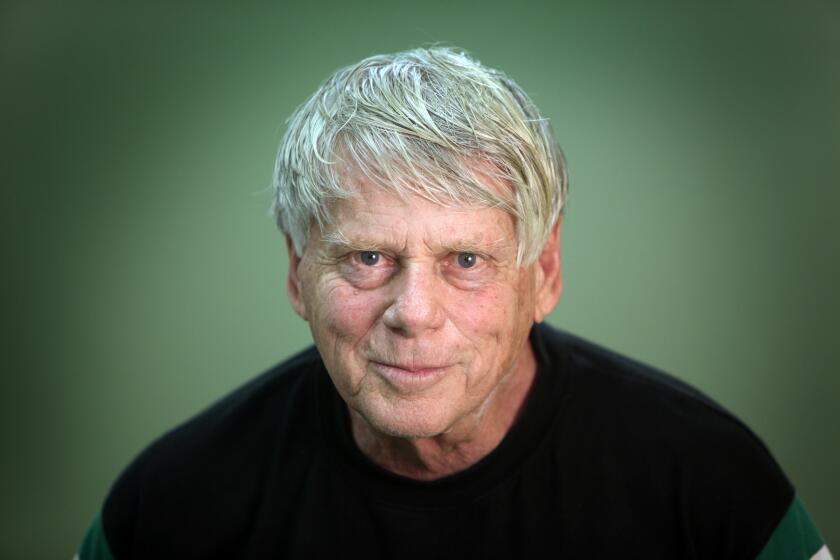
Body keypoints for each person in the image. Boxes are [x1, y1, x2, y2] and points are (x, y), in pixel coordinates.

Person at [77, 47, 831, 559]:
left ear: (544, 273)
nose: (413, 311)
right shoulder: (168, 507)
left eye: (466, 261)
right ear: (296, 269)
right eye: (368, 258)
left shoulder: (706, 481)